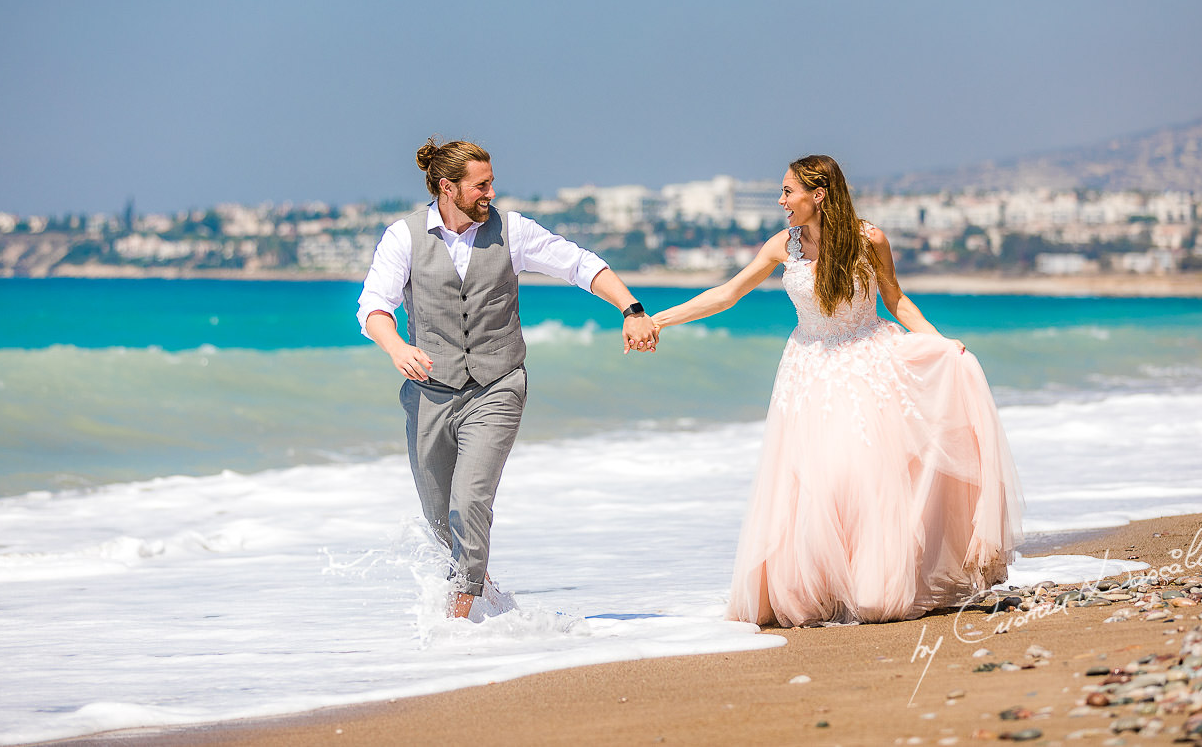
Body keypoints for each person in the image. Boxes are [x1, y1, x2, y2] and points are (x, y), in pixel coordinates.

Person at [651, 155, 1023, 626]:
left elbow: (896, 300)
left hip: (867, 364)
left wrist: (938, 341)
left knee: (861, 477)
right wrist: (658, 320)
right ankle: (817, 591)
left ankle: (872, 586)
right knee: (812, 483)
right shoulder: (782, 246)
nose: (781, 200)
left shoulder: (871, 241)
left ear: (818, 195)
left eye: (788, 192)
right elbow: (726, 295)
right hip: (806, 371)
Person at [357, 137, 658, 619]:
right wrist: (397, 346)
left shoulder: (512, 232)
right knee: (440, 521)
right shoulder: (403, 237)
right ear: (446, 187)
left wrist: (632, 307)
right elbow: (373, 305)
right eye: (481, 185)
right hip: (430, 395)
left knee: (470, 500)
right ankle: (489, 602)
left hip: (497, 386)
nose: (490, 193)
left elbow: (578, 264)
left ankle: (457, 624)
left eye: (491, 183)